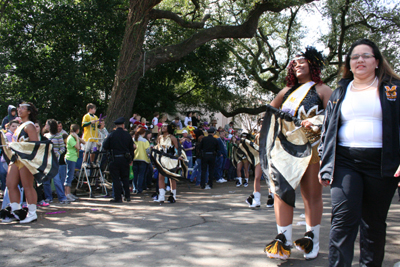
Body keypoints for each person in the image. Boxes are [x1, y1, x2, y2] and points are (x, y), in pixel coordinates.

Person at [318, 39, 400, 266]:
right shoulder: (340, 91)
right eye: (355, 57)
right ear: (349, 63)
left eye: (366, 56)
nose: (360, 60)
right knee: (343, 221)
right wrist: (325, 163)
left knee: (373, 225)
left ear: (376, 61)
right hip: (346, 162)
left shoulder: (393, 88)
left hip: (382, 164)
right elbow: (328, 130)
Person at [264, 46, 332, 260]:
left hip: (311, 150)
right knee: (281, 195)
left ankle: (312, 238)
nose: (297, 65)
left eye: (302, 61)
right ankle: (282, 241)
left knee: (311, 196)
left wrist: (315, 122)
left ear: (313, 64)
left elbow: (333, 119)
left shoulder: (322, 90)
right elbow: (270, 115)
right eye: (294, 63)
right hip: (284, 151)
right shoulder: (285, 92)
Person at [3, 102, 39, 223]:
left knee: (27, 185)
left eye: (23, 108)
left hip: (25, 159)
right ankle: (16, 211)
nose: (19, 110)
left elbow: (35, 145)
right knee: (10, 183)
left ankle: (32, 213)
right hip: (15, 158)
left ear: (29, 111)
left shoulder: (29, 126)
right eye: (19, 108)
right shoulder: (19, 126)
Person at [152, 123, 187, 203]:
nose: (163, 127)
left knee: (171, 177)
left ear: (169, 128)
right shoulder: (160, 137)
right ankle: (161, 196)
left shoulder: (172, 138)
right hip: (162, 159)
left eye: (165, 126)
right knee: (161, 177)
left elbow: (178, 148)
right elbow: (157, 147)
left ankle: (173, 195)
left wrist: (178, 157)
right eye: (162, 126)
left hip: (171, 159)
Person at [103, 117, 134, 203]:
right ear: (123, 125)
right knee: (125, 178)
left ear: (116, 126)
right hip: (125, 159)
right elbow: (131, 148)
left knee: (116, 179)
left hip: (114, 159)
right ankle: (127, 196)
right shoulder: (127, 135)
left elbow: (105, 146)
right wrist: (131, 159)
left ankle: (118, 197)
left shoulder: (111, 135)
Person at [43, 119, 69, 204]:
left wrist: (57, 154)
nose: (45, 126)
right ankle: (48, 197)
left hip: (54, 160)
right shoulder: (45, 136)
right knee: (46, 180)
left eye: (47, 124)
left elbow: (62, 148)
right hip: (46, 160)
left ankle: (62, 197)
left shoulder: (59, 136)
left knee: (56, 179)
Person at [64, 124, 85, 202]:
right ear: (77, 130)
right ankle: (67, 194)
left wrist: (78, 137)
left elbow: (84, 142)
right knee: (69, 176)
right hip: (70, 158)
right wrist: (76, 138)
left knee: (71, 175)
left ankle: (69, 193)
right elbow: (77, 147)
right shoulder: (70, 138)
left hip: (73, 158)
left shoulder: (74, 137)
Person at [132, 127, 150, 194]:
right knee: (141, 175)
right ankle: (139, 189)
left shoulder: (134, 139)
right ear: (144, 133)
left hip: (135, 158)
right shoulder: (145, 141)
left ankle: (134, 188)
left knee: (135, 175)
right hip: (143, 159)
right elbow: (148, 151)